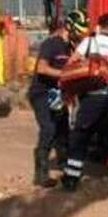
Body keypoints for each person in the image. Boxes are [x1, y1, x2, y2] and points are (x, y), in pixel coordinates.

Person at [62, 13, 108, 191]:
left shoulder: (90, 42)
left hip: (93, 97)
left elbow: (72, 64)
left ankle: (71, 178)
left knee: (80, 136)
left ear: (99, 26)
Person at [28, 11, 87, 188]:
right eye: (78, 31)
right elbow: (42, 68)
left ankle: (65, 167)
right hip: (41, 93)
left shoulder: (71, 48)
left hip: (58, 95)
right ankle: (40, 174)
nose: (80, 36)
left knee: (63, 131)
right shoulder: (52, 44)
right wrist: (64, 75)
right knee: (48, 129)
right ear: (68, 27)